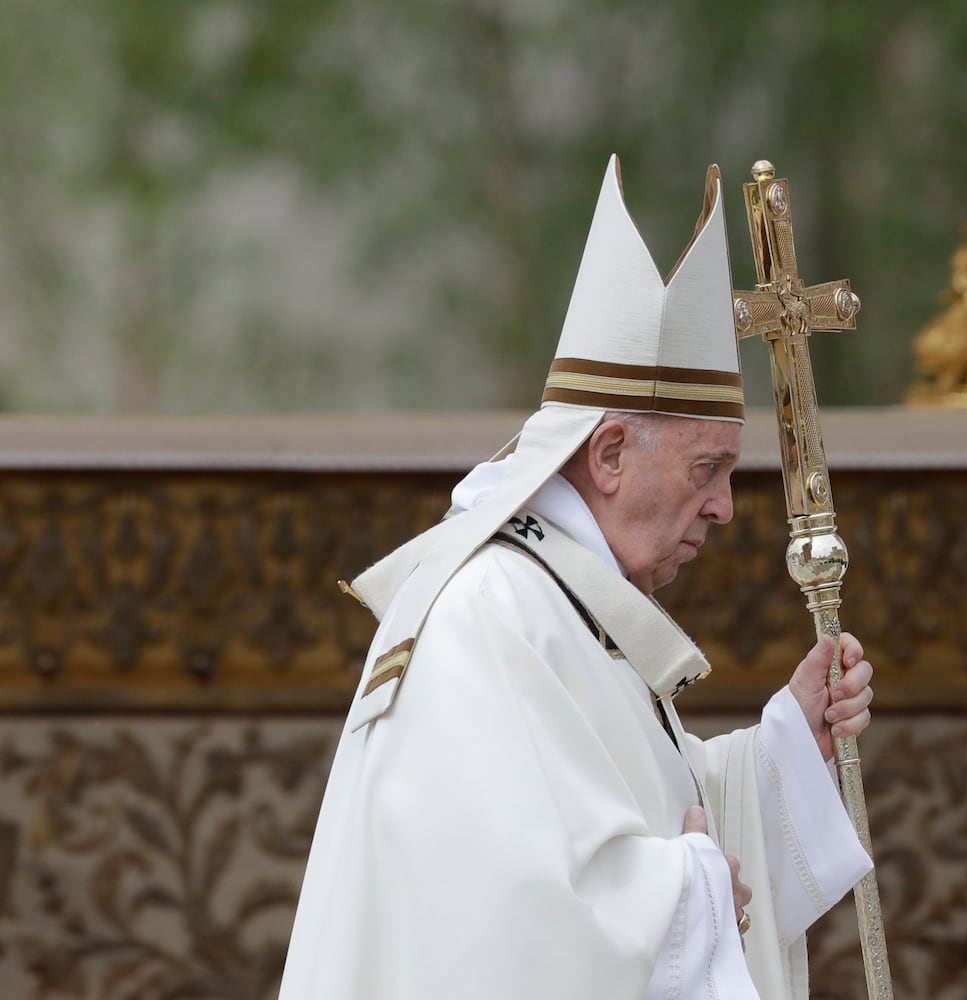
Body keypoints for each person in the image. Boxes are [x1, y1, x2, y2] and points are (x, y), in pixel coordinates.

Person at [278, 155, 876, 1000]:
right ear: (607, 455)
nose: (723, 510)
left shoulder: (561, 603)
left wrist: (787, 751)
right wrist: (691, 893)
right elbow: (502, 912)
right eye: (705, 471)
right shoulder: (489, 615)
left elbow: (631, 818)